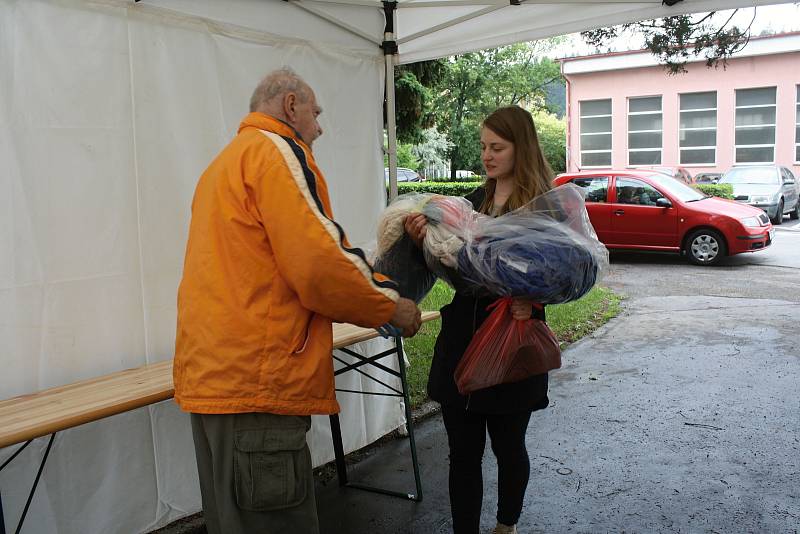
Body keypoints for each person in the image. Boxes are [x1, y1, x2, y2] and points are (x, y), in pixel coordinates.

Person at [173, 67, 422, 534]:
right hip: (258, 382)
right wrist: (392, 305)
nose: (320, 126)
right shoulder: (278, 153)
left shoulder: (224, 164)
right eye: (316, 112)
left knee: (233, 521)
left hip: (215, 378)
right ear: (291, 106)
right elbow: (320, 265)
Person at [405, 105, 554, 534]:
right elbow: (455, 271)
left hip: (511, 345)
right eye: (484, 146)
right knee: (463, 455)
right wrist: (424, 244)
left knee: (509, 449)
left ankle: (505, 526)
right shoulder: (471, 203)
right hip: (461, 343)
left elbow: (566, 270)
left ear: (520, 148)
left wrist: (535, 303)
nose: (487, 156)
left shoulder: (546, 206)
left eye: (497, 147)